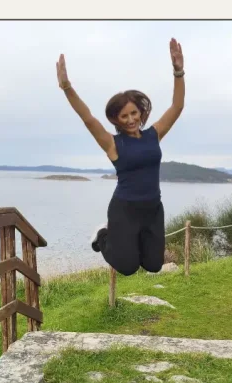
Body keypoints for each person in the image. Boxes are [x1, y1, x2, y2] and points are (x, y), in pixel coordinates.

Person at [55, 39, 185, 276]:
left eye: (134, 113)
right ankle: (102, 235)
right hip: (124, 209)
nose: (130, 119)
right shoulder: (113, 143)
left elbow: (177, 107)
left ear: (141, 113)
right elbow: (88, 118)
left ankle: (125, 243)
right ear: (116, 119)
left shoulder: (153, 135)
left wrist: (178, 72)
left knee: (154, 265)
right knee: (127, 267)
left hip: (153, 209)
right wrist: (67, 88)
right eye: (124, 116)